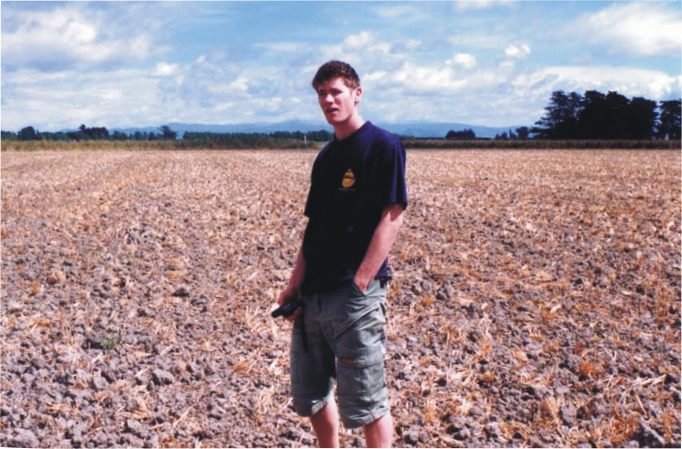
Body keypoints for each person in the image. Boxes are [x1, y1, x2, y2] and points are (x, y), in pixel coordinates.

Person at [276, 60, 408, 448]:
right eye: (321, 94)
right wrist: (293, 285)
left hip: (355, 297)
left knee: (367, 402)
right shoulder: (326, 157)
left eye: (336, 91)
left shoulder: (383, 146)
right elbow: (314, 227)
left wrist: (362, 281)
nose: (329, 100)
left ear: (356, 93)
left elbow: (392, 216)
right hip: (313, 295)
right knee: (311, 395)